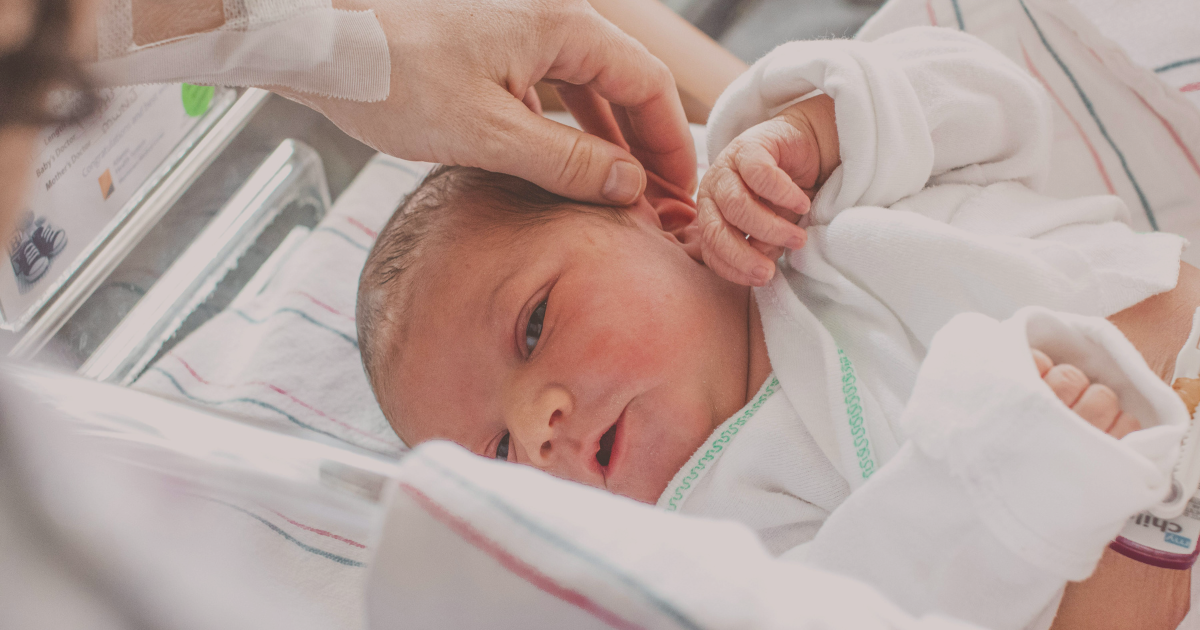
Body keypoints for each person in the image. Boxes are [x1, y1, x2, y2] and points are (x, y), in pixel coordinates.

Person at [355, 27, 1195, 629]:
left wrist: (814, 130)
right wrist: (1003, 468)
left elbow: (998, 107)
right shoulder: (714, 542)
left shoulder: (808, 193)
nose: (536, 426)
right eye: (498, 454)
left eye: (535, 326)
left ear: (663, 213)